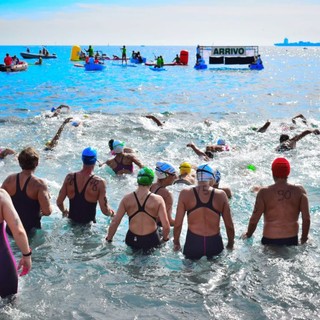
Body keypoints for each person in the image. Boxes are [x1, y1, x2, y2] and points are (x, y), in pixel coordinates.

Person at [242, 157, 310, 246]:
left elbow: (254, 220)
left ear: (273, 173)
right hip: (292, 240)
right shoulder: (300, 191)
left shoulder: (263, 193)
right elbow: (306, 219)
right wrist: (304, 239)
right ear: (288, 172)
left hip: (269, 240)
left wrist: (248, 234)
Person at [174, 164, 234, 260]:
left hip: (193, 243)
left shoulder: (185, 193)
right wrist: (231, 244)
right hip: (214, 243)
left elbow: (177, 224)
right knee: (217, 272)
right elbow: (229, 225)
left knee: (188, 273)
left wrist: (176, 242)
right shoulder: (221, 195)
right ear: (211, 178)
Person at [106, 167, 170, 252]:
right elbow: (166, 226)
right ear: (151, 182)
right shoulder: (158, 200)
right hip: (151, 239)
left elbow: (115, 221)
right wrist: (165, 239)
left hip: (132, 239)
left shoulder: (127, 199)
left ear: (138, 180)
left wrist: (109, 239)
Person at [1, 147, 52, 235]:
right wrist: (48, 199)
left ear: (19, 162)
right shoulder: (39, 184)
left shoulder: (9, 180)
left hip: (10, 230)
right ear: (36, 163)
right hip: (31, 232)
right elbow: (47, 212)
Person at [56, 147, 114, 224]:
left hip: (71, 222)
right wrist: (112, 214)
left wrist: (64, 211)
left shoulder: (69, 177)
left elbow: (59, 202)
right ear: (95, 160)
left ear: (82, 159)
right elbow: (104, 210)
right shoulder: (100, 183)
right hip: (88, 227)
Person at [0, 189, 32, 298]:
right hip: (2, 263)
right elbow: (18, 230)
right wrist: (26, 255)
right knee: (9, 303)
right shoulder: (1, 196)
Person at [150, 162, 177, 226]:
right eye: (173, 174)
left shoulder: (150, 186)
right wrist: (182, 222)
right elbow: (168, 221)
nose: (176, 177)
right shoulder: (167, 195)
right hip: (154, 229)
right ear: (166, 176)